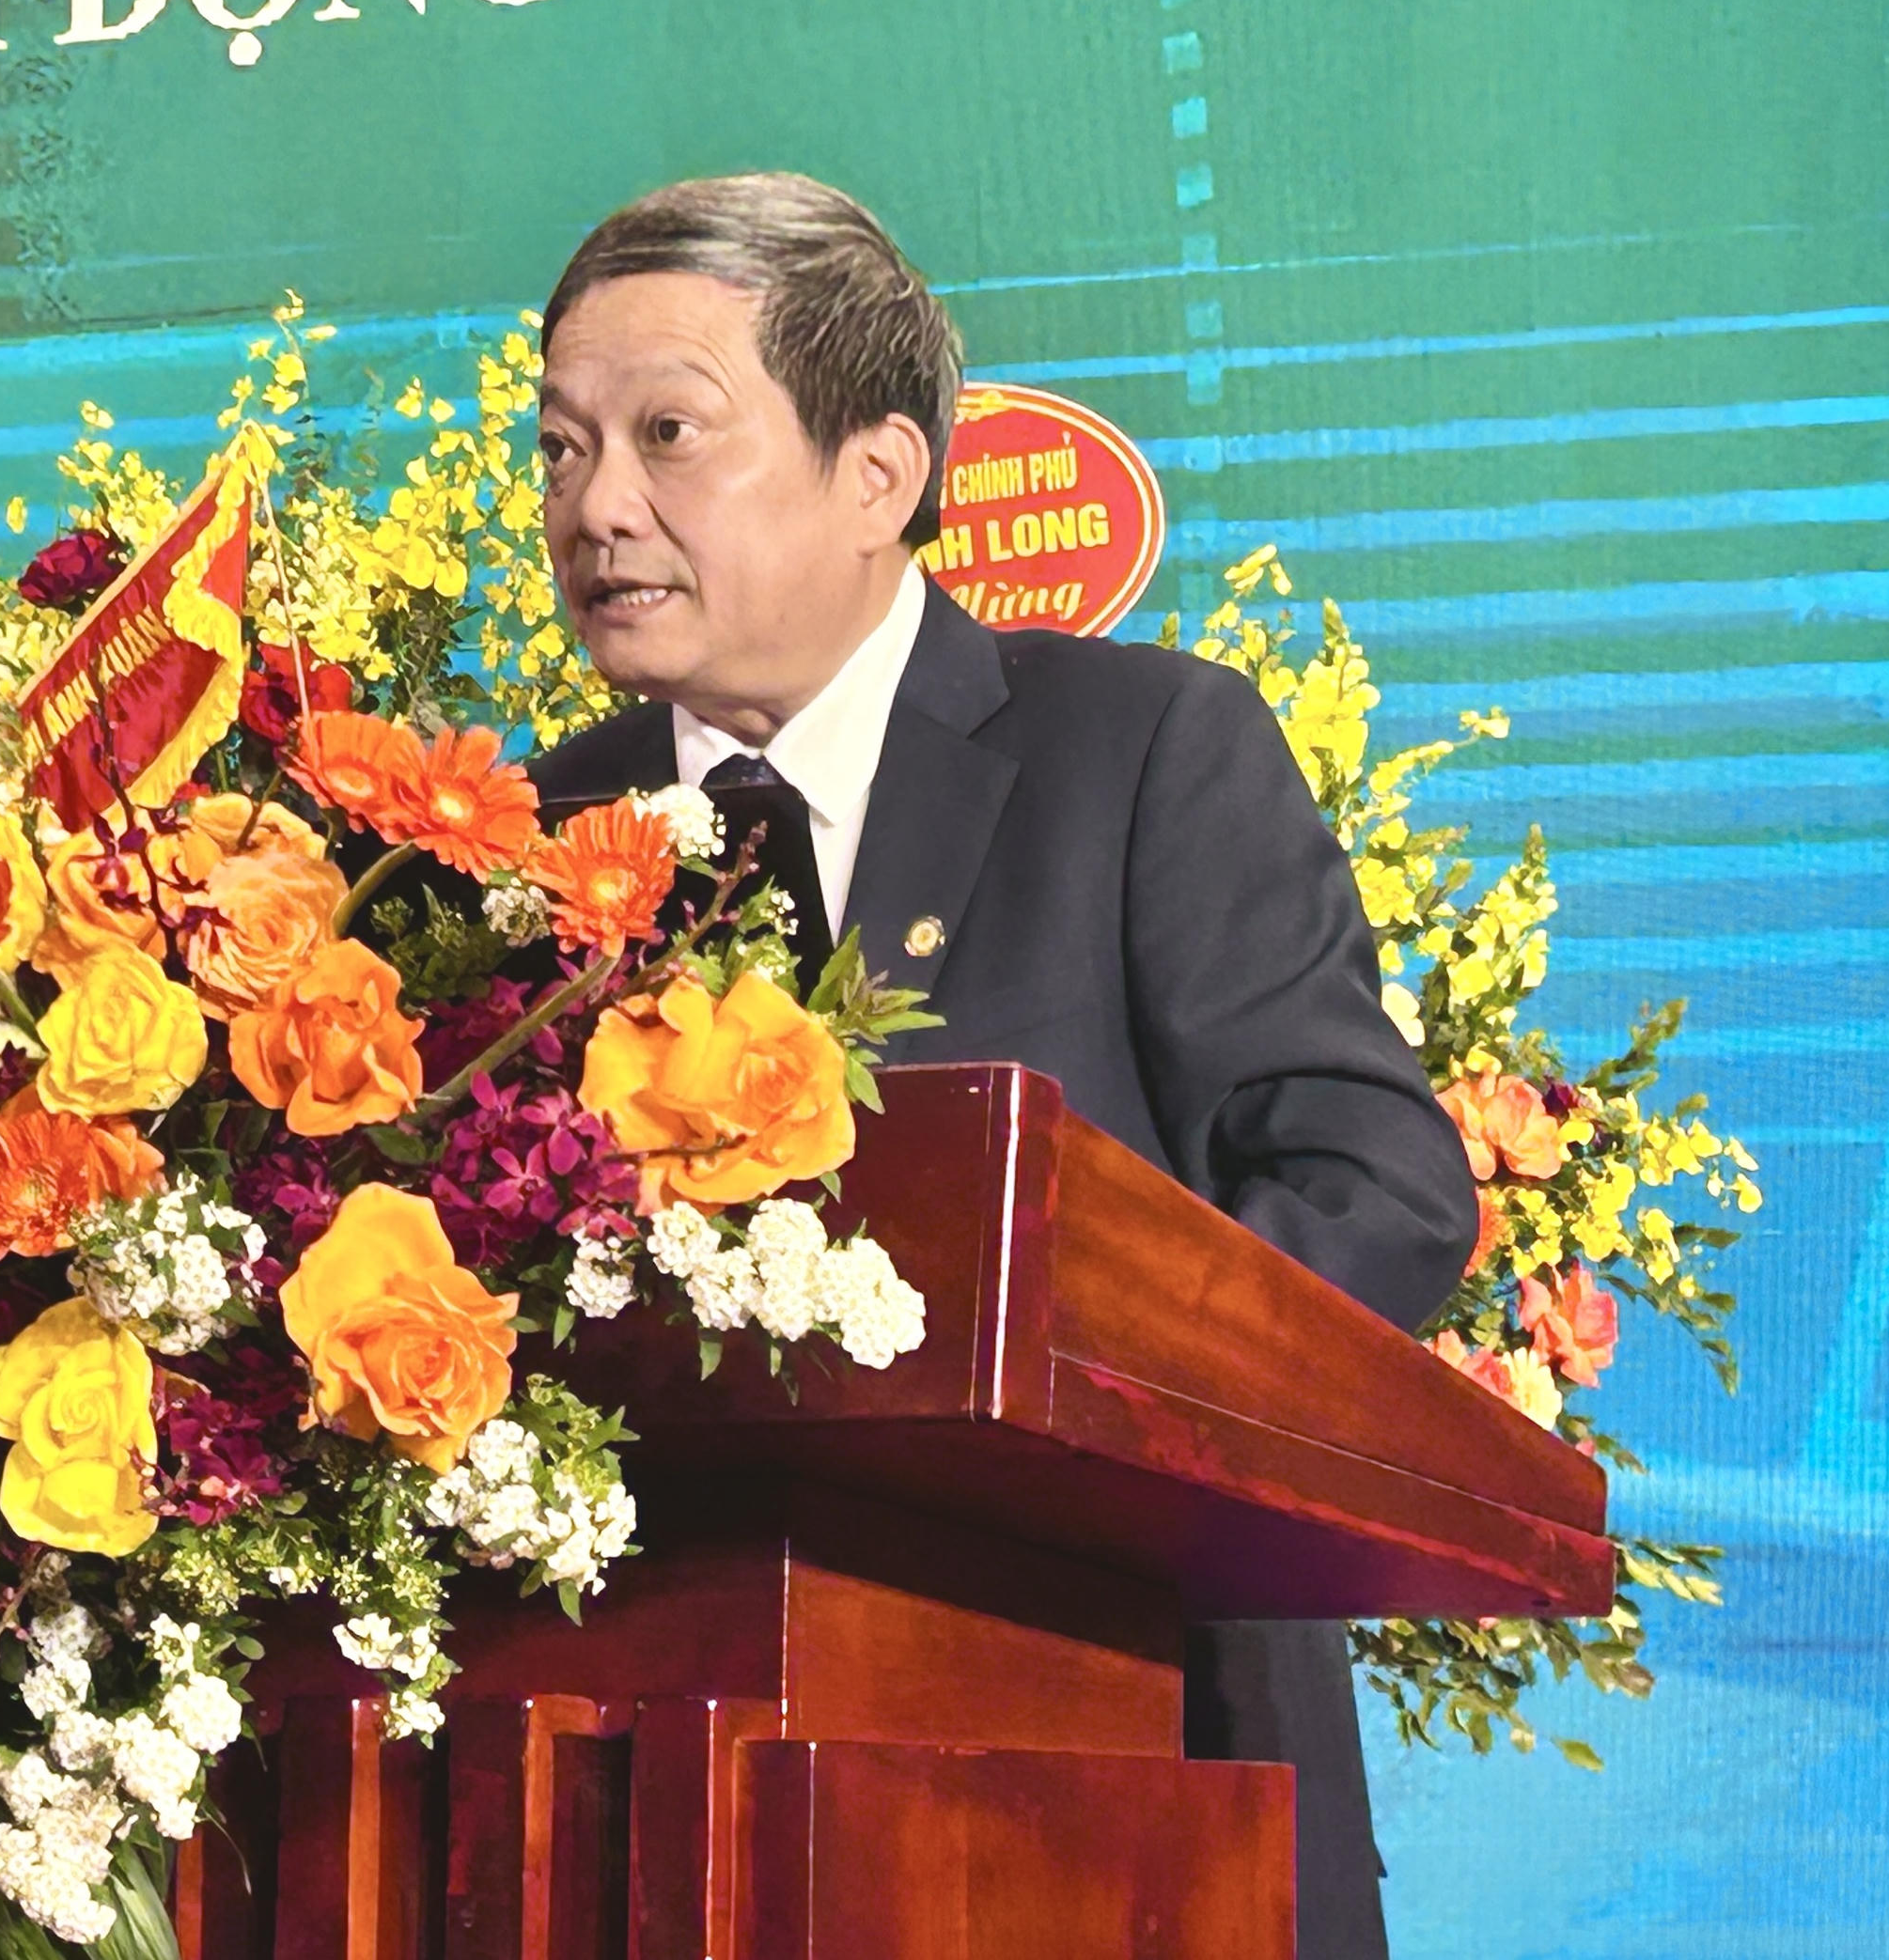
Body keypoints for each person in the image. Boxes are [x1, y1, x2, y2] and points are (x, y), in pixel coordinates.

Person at [527, 173, 1476, 1960]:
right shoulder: (516, 840)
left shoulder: (1140, 754)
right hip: (636, 1824)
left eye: (668, 434)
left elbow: (1378, 1192)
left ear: (878, 473)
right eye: (564, 446)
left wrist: (1060, 1419)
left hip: (1132, 1793)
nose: (599, 506)